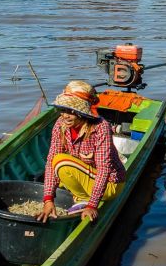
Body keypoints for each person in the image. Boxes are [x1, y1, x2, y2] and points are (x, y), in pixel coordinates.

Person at [38, 80, 125, 223]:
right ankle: (80, 197)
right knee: (54, 168)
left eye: (71, 111)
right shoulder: (60, 124)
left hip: (111, 184)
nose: (65, 115)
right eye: (63, 110)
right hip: (86, 175)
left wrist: (92, 205)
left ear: (81, 112)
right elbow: (50, 163)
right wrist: (48, 199)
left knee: (60, 161)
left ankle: (83, 199)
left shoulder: (100, 127)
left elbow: (104, 169)